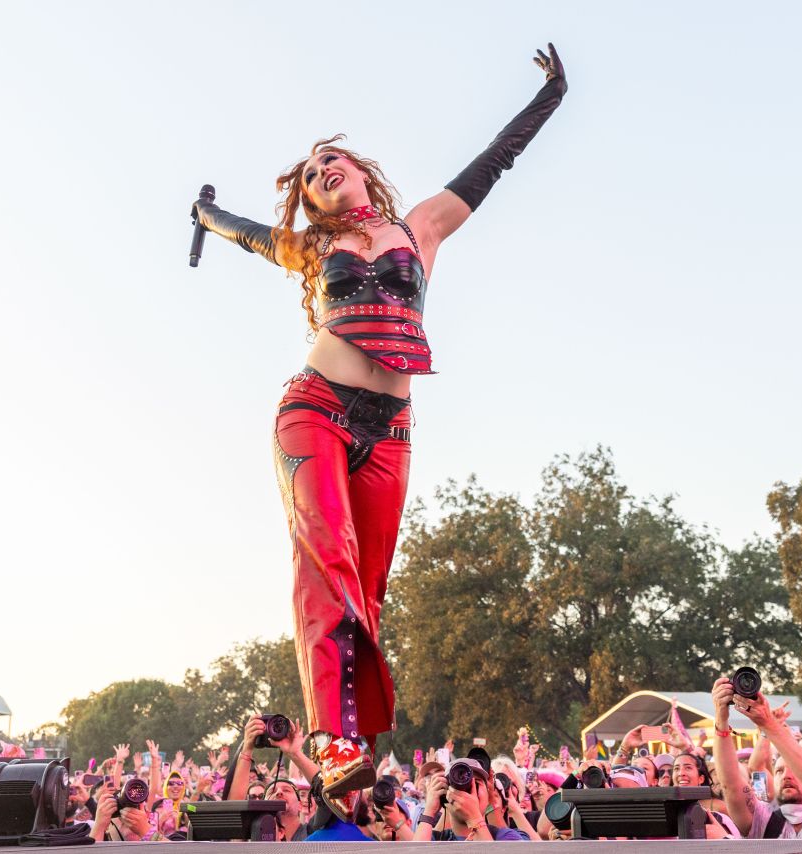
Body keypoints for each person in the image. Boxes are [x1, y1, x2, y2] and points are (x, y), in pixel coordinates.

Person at [189, 43, 568, 803]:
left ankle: (353, 749)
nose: (319, 170)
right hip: (314, 410)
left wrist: (550, 98)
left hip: (390, 429)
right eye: (307, 174)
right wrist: (202, 213)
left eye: (330, 159)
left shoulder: (421, 227)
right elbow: (238, 229)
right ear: (310, 201)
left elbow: (493, 163)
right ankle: (328, 741)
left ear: (361, 171)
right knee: (325, 556)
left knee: (368, 584)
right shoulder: (309, 247)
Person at [711, 677, 802, 839]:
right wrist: (721, 719)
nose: (786, 776)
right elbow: (730, 785)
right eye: (779, 771)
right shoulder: (762, 820)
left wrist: (768, 722)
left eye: (794, 770)